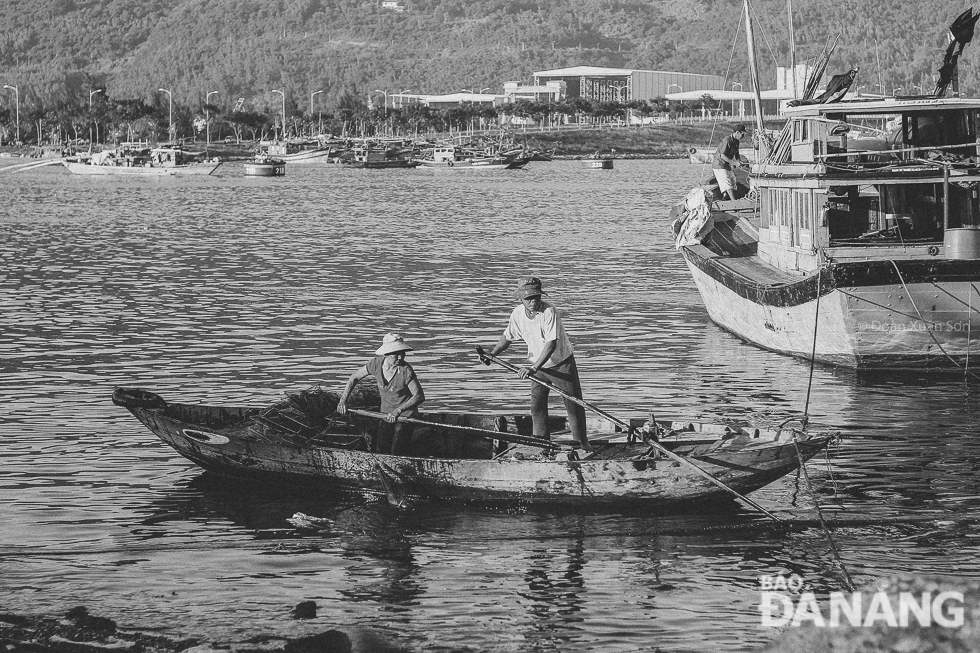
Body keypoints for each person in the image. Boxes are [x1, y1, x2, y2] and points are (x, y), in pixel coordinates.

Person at [483, 277, 592, 453]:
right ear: (521, 299)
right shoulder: (517, 314)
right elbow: (507, 337)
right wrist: (493, 353)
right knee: (537, 406)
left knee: (573, 404)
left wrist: (533, 369)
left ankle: (582, 442)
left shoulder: (549, 312)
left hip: (561, 365)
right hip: (537, 366)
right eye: (529, 299)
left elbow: (551, 344)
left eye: (536, 297)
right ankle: (542, 443)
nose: (533, 301)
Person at [337, 333, 425, 455]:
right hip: (385, 415)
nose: (400, 357)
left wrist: (398, 411)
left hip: (406, 417)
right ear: (386, 354)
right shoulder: (376, 364)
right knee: (381, 450)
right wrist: (343, 401)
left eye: (402, 353)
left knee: (397, 452)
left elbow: (419, 396)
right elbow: (354, 378)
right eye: (396, 354)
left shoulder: (406, 370)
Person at [712, 123, 749, 201]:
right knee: (727, 185)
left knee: (733, 181)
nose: (743, 136)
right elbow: (722, 156)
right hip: (719, 165)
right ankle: (733, 202)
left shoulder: (737, 142)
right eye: (742, 134)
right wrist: (734, 163)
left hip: (727, 166)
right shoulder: (727, 140)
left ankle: (725, 199)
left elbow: (736, 154)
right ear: (737, 133)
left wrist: (739, 161)